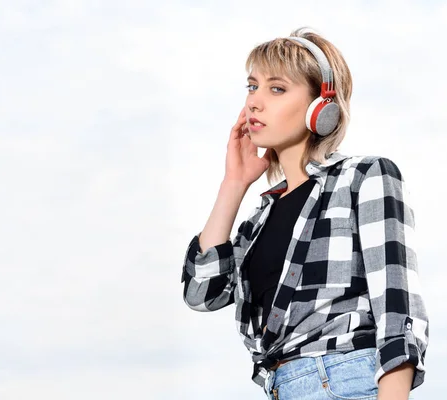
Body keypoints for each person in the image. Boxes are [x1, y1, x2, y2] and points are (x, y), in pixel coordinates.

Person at [181, 27, 429, 400]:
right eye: (252, 87)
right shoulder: (258, 220)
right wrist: (233, 184)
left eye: (276, 88)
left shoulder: (364, 177)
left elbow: (398, 311)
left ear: (321, 106)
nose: (254, 103)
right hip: (283, 388)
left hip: (345, 381)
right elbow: (202, 293)